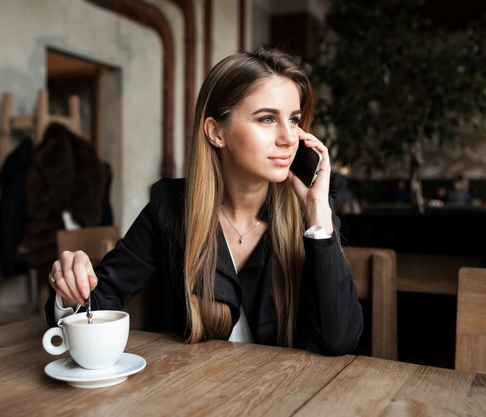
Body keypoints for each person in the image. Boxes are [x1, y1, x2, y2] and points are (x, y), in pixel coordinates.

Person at [45, 48, 363, 355]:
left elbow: (340, 341)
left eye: (293, 120)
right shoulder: (169, 205)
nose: (289, 137)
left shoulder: (310, 214)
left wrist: (320, 219)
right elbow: (95, 306)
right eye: (267, 119)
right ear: (216, 132)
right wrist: (70, 289)